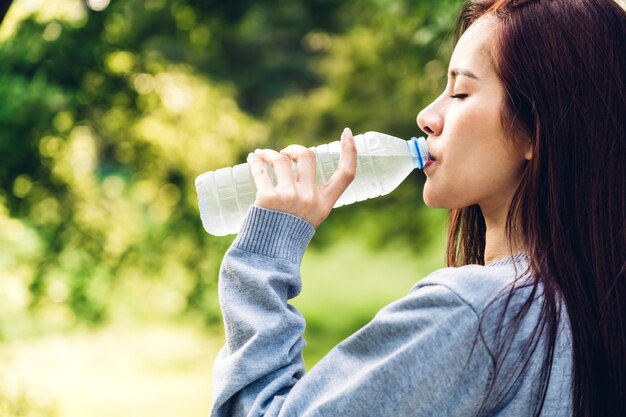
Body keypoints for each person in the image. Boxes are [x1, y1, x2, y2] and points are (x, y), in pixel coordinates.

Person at [209, 0, 626, 416]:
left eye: (461, 92)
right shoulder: (593, 308)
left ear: (537, 129)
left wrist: (264, 257)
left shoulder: (474, 314)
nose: (427, 116)